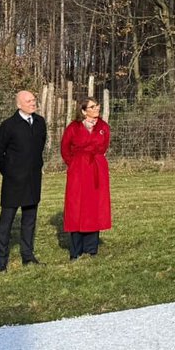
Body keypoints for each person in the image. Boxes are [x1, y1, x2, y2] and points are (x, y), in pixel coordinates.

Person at [0, 90, 47, 271]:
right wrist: (9, 172)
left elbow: (39, 148)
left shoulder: (40, 122)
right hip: (13, 181)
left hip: (33, 179)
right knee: (6, 221)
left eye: (34, 100)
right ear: (19, 105)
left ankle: (27, 255)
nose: (33, 103)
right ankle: (1, 261)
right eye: (29, 101)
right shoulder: (9, 125)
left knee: (30, 219)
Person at [61, 97, 111, 259]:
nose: (97, 108)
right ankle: (76, 248)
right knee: (76, 205)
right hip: (79, 170)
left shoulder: (103, 127)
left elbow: (104, 146)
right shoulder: (73, 128)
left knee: (94, 205)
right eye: (92, 106)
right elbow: (65, 148)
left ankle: (91, 248)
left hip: (96, 168)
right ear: (83, 111)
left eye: (97, 105)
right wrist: (75, 163)